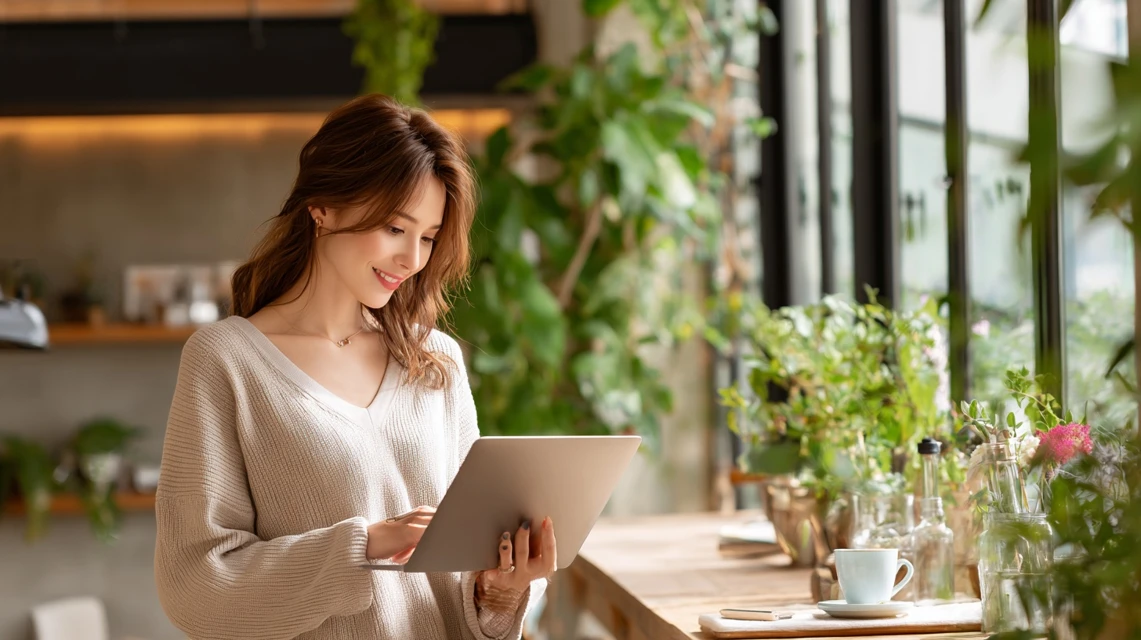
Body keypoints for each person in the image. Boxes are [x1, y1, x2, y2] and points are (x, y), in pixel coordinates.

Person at [153, 94, 556, 640]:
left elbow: (461, 572)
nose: (412, 259)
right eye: (395, 228)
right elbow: (195, 585)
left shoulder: (437, 362)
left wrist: (502, 589)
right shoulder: (227, 362)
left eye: (429, 238)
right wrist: (363, 545)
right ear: (323, 206)